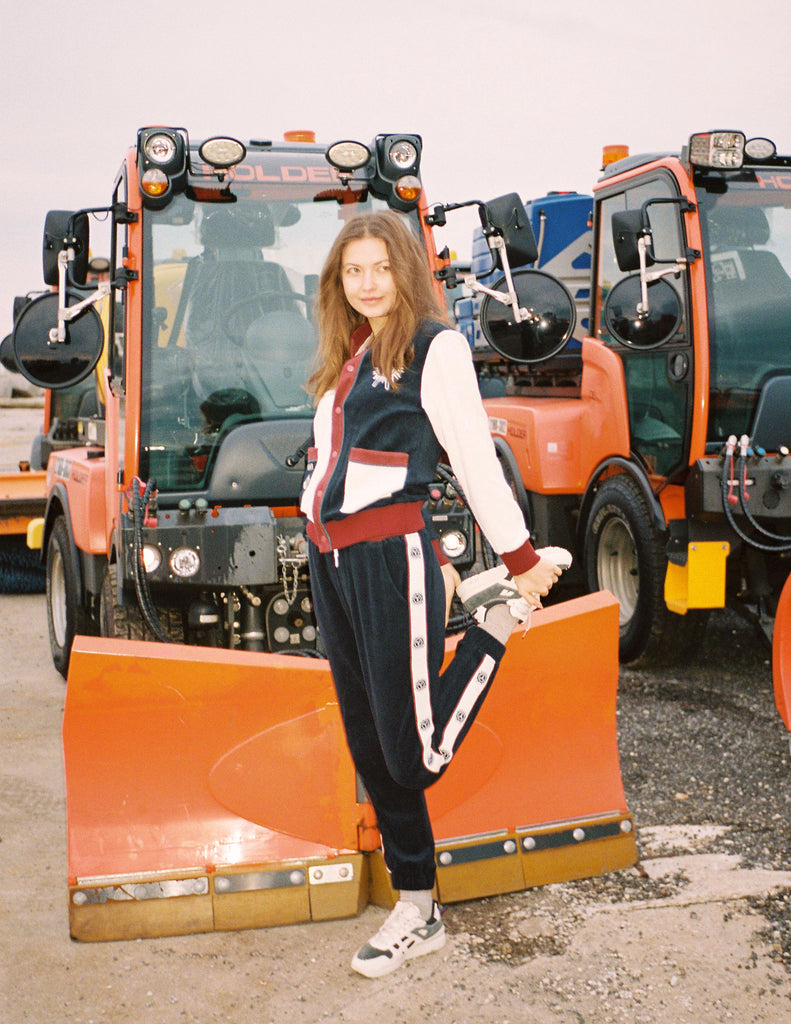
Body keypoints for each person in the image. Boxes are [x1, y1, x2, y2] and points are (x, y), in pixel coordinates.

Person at [300, 210, 565, 978]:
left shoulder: (434, 346)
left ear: (406, 270)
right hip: (332, 564)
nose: (367, 283)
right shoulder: (347, 352)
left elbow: (472, 453)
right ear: (338, 282)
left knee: (413, 753)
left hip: (388, 559)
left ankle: (494, 621)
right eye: (353, 271)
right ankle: (416, 905)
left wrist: (517, 559)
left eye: (380, 268)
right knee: (371, 747)